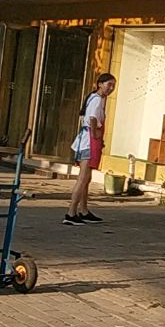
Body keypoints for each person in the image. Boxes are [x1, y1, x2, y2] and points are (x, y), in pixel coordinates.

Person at [64, 73, 116, 225]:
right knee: (83, 178)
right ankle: (71, 212)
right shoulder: (97, 100)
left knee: (87, 178)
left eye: (113, 85)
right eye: (109, 84)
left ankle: (83, 210)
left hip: (85, 140)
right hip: (88, 142)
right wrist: (95, 134)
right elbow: (93, 118)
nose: (111, 88)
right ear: (100, 84)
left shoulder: (95, 98)